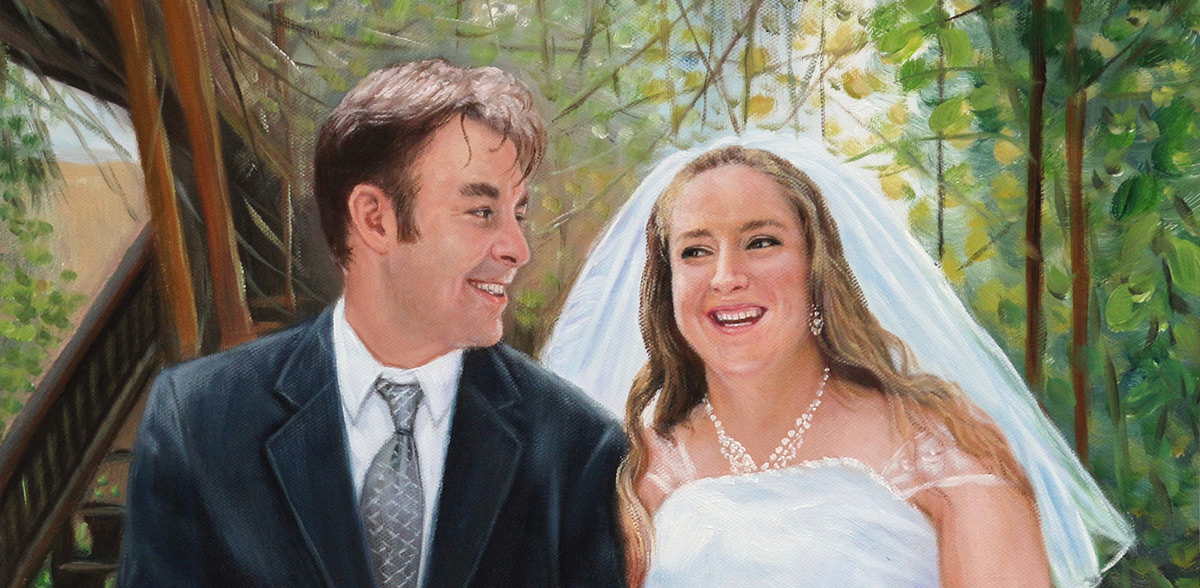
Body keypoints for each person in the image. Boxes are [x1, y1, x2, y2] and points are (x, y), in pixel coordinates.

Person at [120, 58, 626, 588]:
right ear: (375, 218)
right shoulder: (200, 419)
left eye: (518, 214)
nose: (518, 250)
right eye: (482, 212)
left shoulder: (575, 446)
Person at [542, 135, 1133, 587]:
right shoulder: (643, 466)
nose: (726, 276)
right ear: (666, 285)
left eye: (761, 242)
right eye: (695, 251)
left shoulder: (938, 445)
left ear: (816, 267)